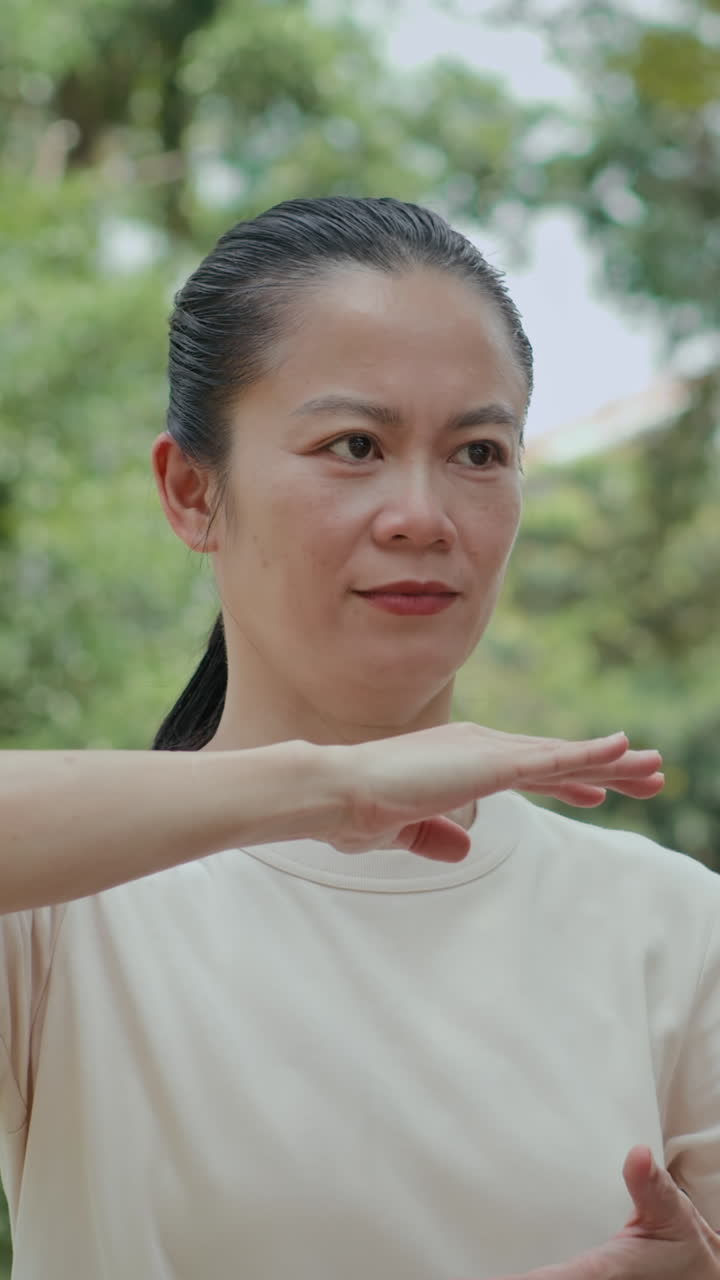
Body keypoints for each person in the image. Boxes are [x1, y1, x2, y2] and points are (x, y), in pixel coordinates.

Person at [0, 196, 717, 1280]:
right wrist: (327, 788)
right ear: (193, 492)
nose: (423, 513)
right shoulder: (64, 910)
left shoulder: (676, 928)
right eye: (354, 444)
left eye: (479, 450)